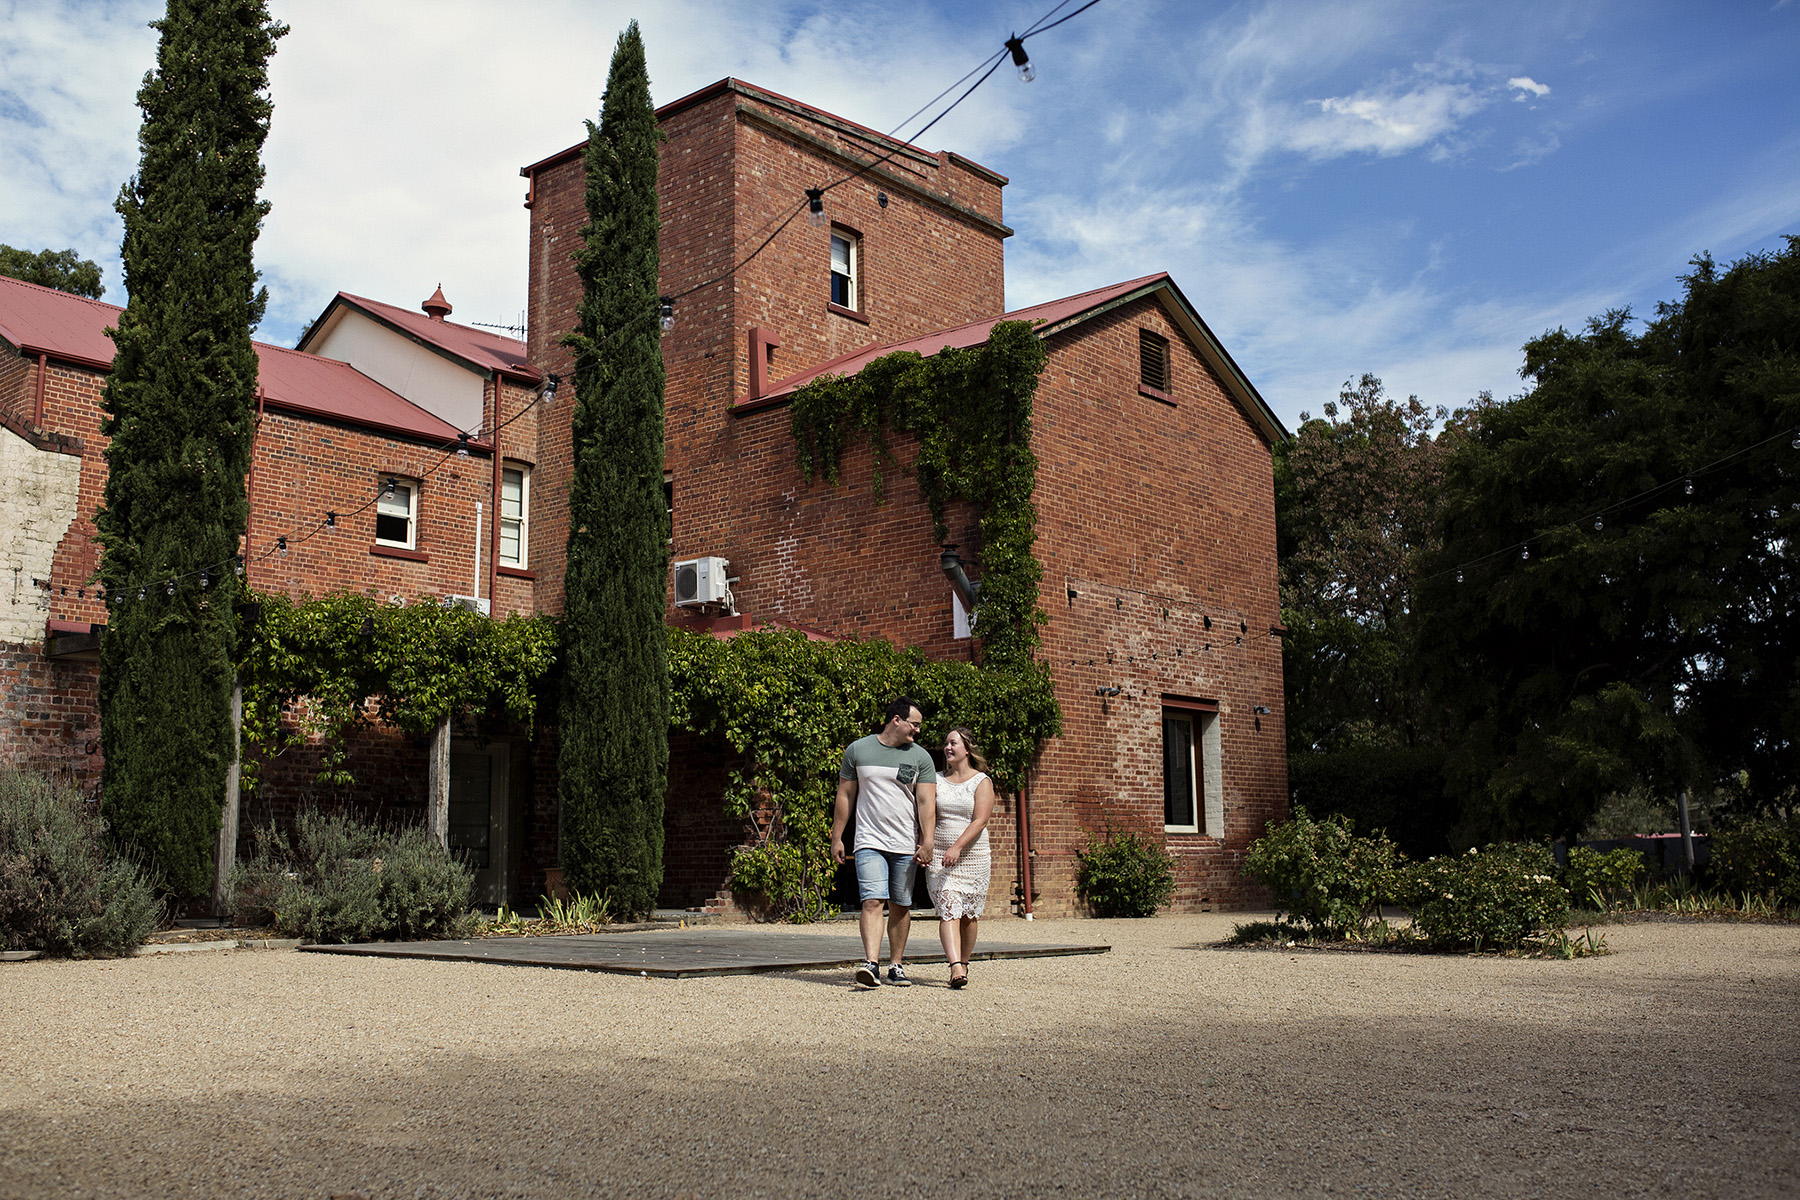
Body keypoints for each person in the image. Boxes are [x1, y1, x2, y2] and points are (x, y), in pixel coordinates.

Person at [831, 697, 937, 988]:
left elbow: (927, 801)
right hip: (869, 840)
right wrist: (837, 836)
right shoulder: (858, 750)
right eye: (914, 725)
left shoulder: (920, 757)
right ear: (896, 720)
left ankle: (897, 965)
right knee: (872, 900)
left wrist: (928, 841)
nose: (917, 731)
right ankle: (871, 964)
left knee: (901, 905)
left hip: (905, 843)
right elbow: (845, 795)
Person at [925, 726, 996, 989]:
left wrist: (957, 847)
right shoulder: (935, 779)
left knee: (969, 915)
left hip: (973, 857)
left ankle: (964, 962)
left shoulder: (982, 781)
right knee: (948, 909)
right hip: (940, 857)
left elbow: (980, 820)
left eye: (953, 743)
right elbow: (926, 813)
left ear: (967, 749)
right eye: (945, 743)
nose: (948, 748)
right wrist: (926, 843)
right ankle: (955, 965)